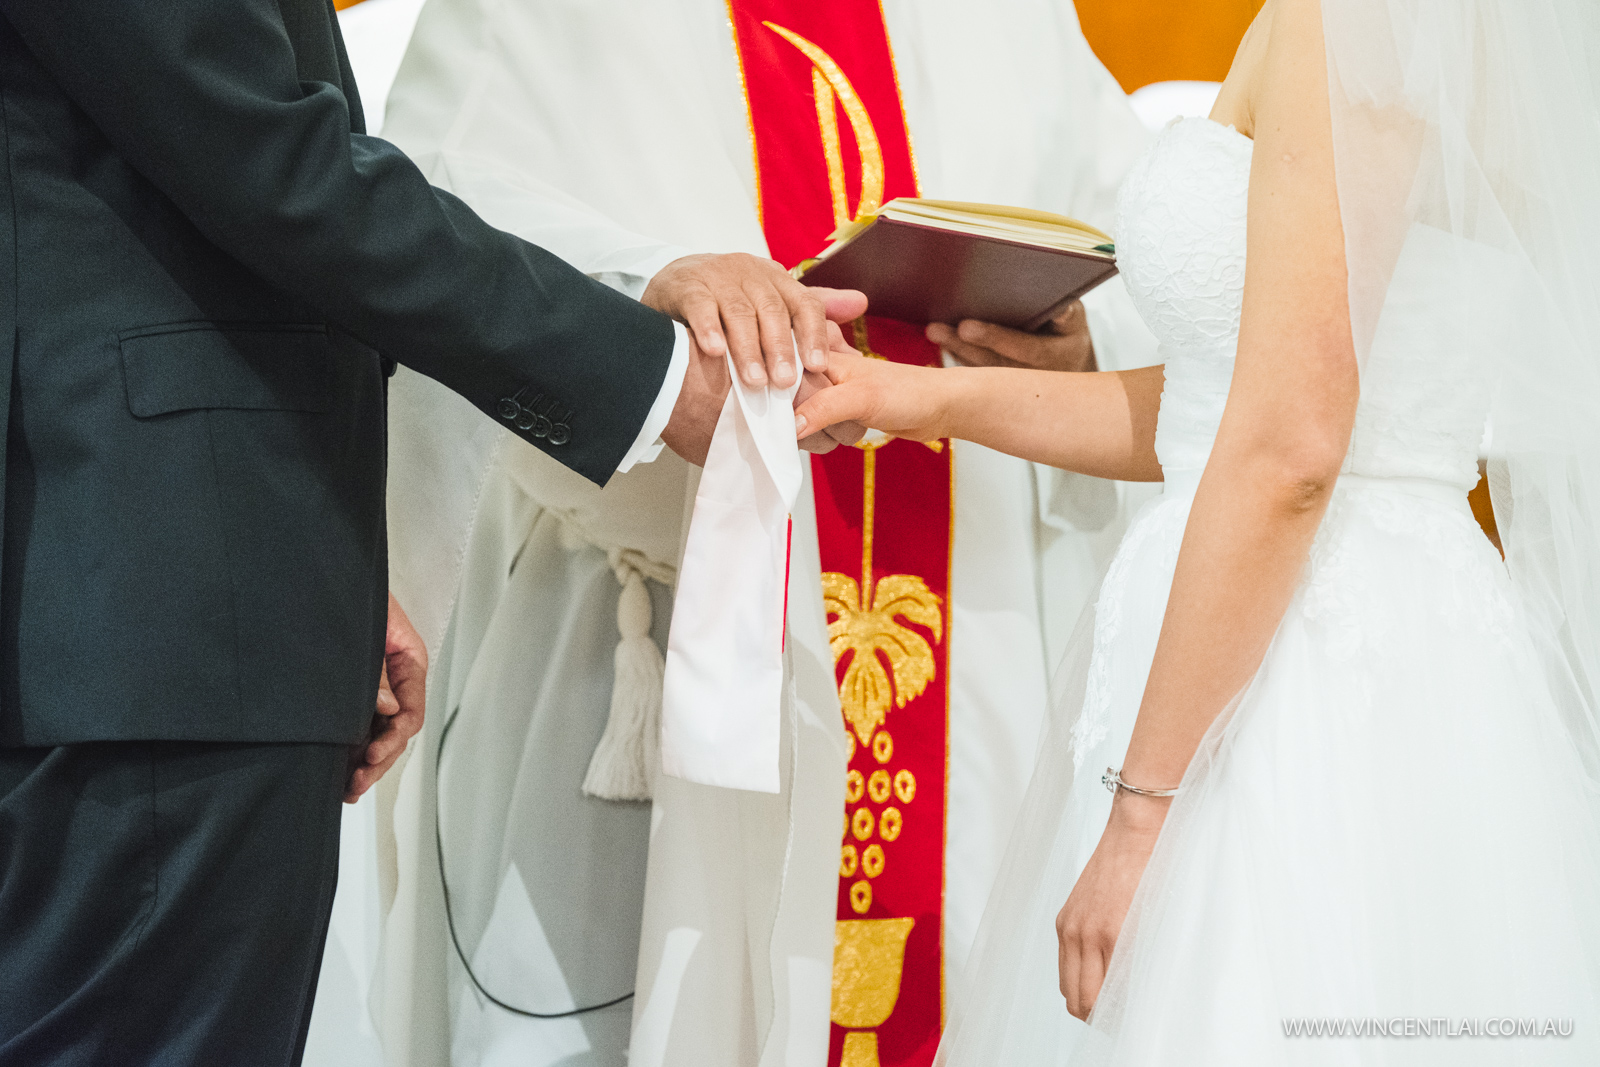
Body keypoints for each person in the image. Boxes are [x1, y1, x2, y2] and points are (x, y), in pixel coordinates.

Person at [0, 0, 863, 1063]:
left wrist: (322, 563)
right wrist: (646, 372)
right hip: (149, 608)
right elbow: (270, 158)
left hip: (188, 573)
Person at [303, 2, 1159, 1064]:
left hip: (967, 620)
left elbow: (1144, 251)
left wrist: (1078, 345)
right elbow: (428, 216)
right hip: (644, 648)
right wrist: (650, 276)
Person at [797, 0, 1600, 1061]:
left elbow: (1288, 451)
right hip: (1337, 618)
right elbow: (1228, 415)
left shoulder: (1358, 22)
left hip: (1295, 665)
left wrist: (1141, 816)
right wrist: (918, 398)